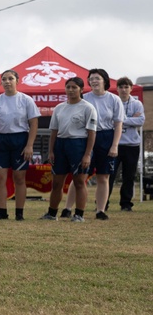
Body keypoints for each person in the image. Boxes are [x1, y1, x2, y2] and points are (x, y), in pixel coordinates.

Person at [60, 68, 124, 220]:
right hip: (85, 137)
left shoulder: (114, 99)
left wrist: (114, 145)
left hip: (105, 137)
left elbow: (118, 125)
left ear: (105, 81)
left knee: (103, 177)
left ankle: (100, 210)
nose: (94, 81)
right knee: (79, 176)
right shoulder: (83, 98)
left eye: (97, 78)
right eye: (91, 78)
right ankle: (67, 208)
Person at [0, 70, 41, 221]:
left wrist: (29, 145)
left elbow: (34, 124)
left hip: (20, 139)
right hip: (0, 140)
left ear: (17, 81)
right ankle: (2, 212)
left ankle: (19, 213)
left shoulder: (26, 100)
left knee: (19, 178)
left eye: (10, 78)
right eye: (4, 79)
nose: (7, 81)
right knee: (0, 178)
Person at [41, 77, 97, 222]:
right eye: (68, 87)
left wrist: (87, 155)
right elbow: (54, 131)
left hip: (78, 145)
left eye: (74, 87)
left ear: (81, 89)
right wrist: (51, 151)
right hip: (61, 145)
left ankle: (79, 214)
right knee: (57, 183)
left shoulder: (88, 108)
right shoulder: (59, 108)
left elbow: (91, 133)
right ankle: (52, 214)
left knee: (79, 181)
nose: (71, 90)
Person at [107, 76, 144, 211]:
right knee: (109, 174)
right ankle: (103, 202)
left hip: (131, 145)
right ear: (117, 89)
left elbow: (140, 121)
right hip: (114, 144)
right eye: (121, 87)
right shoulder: (112, 102)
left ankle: (126, 204)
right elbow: (109, 121)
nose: (123, 90)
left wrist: (121, 120)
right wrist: (129, 119)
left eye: (126, 87)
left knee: (129, 175)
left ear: (131, 88)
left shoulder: (137, 104)